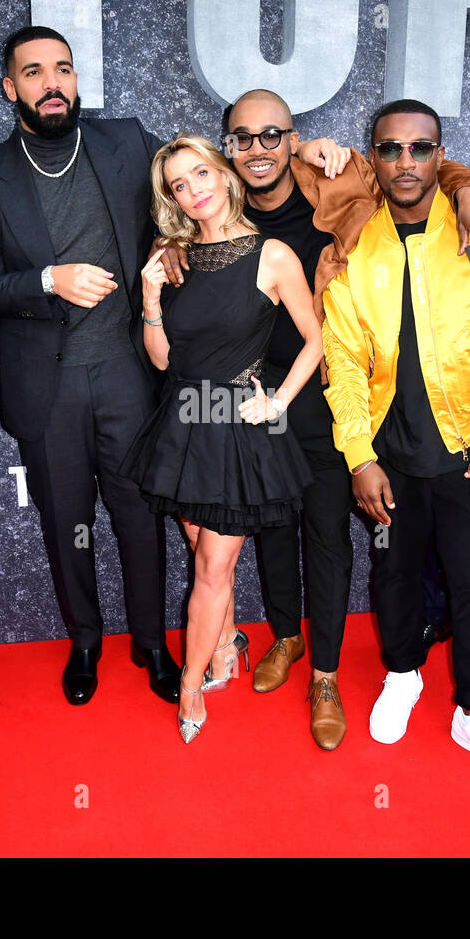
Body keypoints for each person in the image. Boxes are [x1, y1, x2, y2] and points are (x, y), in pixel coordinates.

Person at [167, 88, 470, 750]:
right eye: (243, 138)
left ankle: (325, 674)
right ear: (228, 147)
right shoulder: (214, 208)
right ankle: (286, 635)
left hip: (324, 398)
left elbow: (423, 167)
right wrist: (165, 255)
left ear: (295, 139)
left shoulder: (340, 178)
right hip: (245, 409)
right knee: (270, 530)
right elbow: (181, 226)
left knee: (326, 534)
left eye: (272, 135)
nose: (257, 149)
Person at [323, 99, 470, 792]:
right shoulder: (355, 249)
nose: (407, 163)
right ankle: (400, 674)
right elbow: (344, 361)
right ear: (375, 158)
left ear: (442, 155)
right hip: (392, 457)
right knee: (392, 573)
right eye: (391, 150)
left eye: (422, 149)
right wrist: (359, 455)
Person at [0, 26, 181, 706]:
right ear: (10, 88)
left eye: (63, 69)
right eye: (34, 73)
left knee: (140, 516)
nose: (52, 84)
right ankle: (85, 639)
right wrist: (48, 279)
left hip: (127, 374)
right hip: (46, 385)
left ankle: (150, 642)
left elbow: (198, 183)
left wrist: (172, 244)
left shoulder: (127, 142)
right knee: (67, 521)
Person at [122, 134, 322, 744]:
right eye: (179, 185)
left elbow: (315, 341)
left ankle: (190, 691)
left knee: (213, 563)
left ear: (224, 174)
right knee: (201, 544)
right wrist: (151, 300)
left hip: (237, 424)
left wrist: (280, 402)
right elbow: (160, 360)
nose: (194, 190)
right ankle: (229, 643)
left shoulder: (273, 255)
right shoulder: (173, 258)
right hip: (183, 419)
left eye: (201, 173)